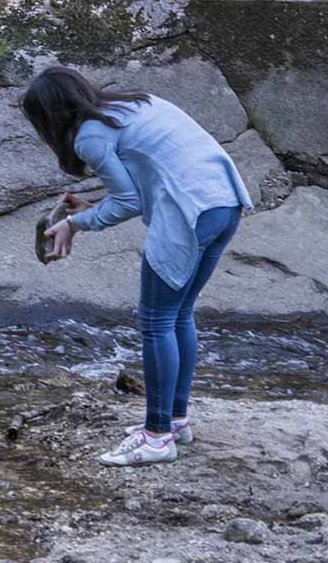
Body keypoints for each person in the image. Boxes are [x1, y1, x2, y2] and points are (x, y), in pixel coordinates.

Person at [21, 66, 252, 466]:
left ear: (50, 118)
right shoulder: (135, 102)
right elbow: (146, 185)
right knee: (179, 314)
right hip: (223, 202)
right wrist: (91, 210)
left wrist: (74, 223)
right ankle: (176, 421)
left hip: (188, 212)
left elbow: (128, 201)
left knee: (156, 321)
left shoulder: (89, 137)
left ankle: (157, 437)